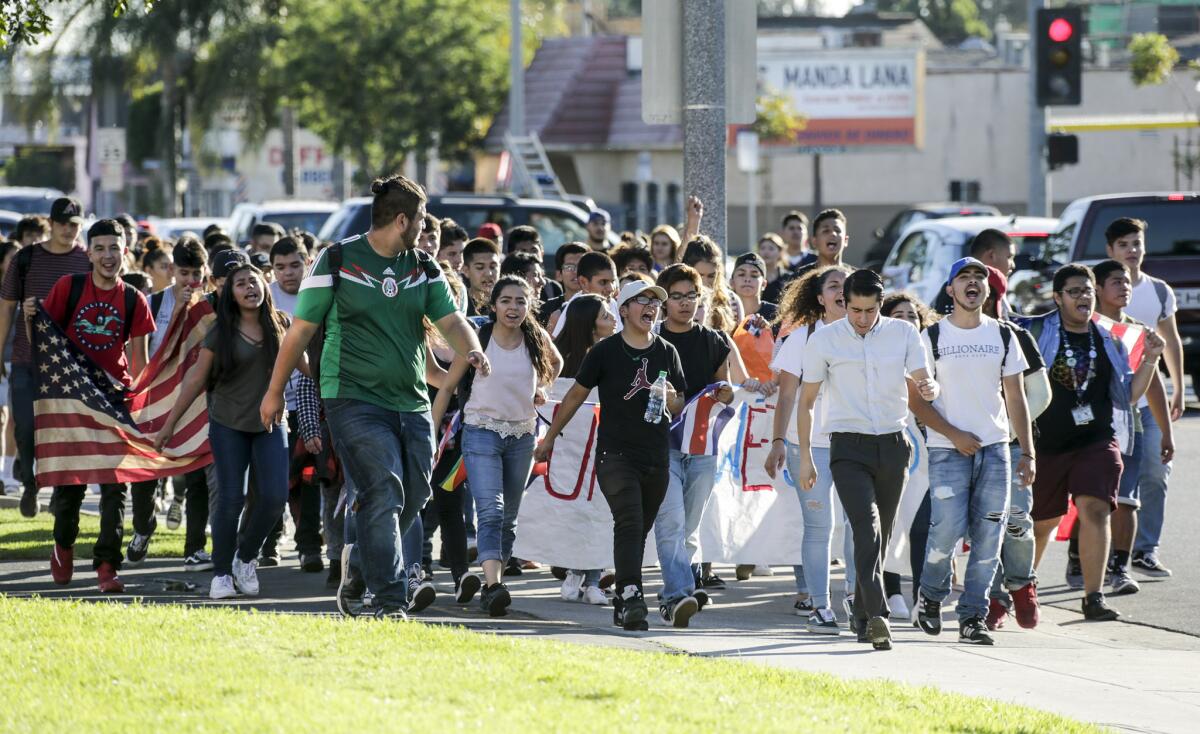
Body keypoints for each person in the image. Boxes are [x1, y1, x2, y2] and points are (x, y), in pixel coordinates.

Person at [260, 173, 488, 620]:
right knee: (384, 490)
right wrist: (273, 393)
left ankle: (360, 566)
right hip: (351, 398)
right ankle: (390, 600)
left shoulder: (423, 268)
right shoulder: (337, 260)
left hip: (411, 401)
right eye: (422, 223)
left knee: (415, 492)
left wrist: (474, 349)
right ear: (402, 220)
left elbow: (451, 321)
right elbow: (299, 333)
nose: (426, 232)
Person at [795, 269, 939, 650]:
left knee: (882, 535)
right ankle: (878, 617)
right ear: (844, 302)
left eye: (870, 310)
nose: (861, 318)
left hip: (894, 445)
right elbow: (806, 403)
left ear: (880, 304)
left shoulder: (903, 332)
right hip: (847, 447)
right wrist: (806, 457)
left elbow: (925, 377)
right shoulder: (824, 340)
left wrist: (929, 385)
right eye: (854, 309)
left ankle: (860, 616)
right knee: (866, 529)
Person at [534, 280, 685, 631]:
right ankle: (633, 596)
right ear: (625, 308)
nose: (651, 307)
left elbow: (678, 404)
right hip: (616, 455)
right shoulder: (604, 352)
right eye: (643, 301)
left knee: (638, 529)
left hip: (656, 456)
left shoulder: (667, 352)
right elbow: (573, 396)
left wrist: (670, 395)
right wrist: (551, 439)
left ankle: (622, 596)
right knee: (629, 522)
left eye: (655, 302)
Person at [907, 257, 1034, 647]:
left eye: (979, 277)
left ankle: (973, 617)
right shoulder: (930, 337)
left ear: (988, 289)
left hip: (997, 450)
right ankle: (929, 596)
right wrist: (954, 433)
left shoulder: (1005, 335)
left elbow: (1016, 396)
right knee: (945, 532)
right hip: (948, 450)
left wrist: (1027, 452)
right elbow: (916, 400)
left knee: (989, 538)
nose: (972, 283)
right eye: (964, 277)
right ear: (950, 290)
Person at [1025, 264, 1163, 621]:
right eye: (1074, 292)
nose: (1084, 297)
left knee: (1095, 509)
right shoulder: (1039, 332)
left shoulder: (1110, 339)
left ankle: (1093, 596)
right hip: (1049, 443)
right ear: (1057, 298)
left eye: (1088, 290)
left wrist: (1150, 359)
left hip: (1097, 439)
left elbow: (1129, 395)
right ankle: (1025, 584)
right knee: (1043, 521)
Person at [155, 263, 290, 599]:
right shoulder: (220, 332)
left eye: (254, 281)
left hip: (270, 424)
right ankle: (221, 575)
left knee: (274, 497)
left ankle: (245, 559)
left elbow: (305, 364)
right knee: (231, 499)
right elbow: (196, 379)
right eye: (241, 283)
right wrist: (170, 424)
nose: (249, 288)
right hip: (228, 424)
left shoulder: (279, 325)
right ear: (230, 293)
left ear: (264, 286)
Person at [433, 275, 561, 616]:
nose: (513, 308)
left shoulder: (536, 338)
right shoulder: (479, 339)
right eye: (506, 301)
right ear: (494, 305)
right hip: (480, 431)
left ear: (529, 306)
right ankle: (493, 586)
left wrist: (542, 388)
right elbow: (446, 389)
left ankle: (495, 579)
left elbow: (556, 364)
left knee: (509, 517)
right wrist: (431, 434)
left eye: (521, 301)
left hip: (522, 435)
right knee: (490, 510)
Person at [42, 219, 156, 593]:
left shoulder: (132, 298)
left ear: (126, 253)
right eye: (101, 248)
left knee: (114, 488)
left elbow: (138, 361)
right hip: (72, 402)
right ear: (89, 252)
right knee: (70, 489)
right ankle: (63, 544)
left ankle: (108, 564)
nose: (108, 256)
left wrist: (139, 405)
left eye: (115, 248)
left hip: (113, 402)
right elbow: (47, 340)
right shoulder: (68, 288)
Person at [764, 265, 851, 634]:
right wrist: (779, 441)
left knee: (860, 527)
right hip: (808, 447)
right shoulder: (800, 339)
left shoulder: (867, 336)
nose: (842, 292)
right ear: (820, 298)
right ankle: (820, 605)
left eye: (848, 286)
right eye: (834, 286)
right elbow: (786, 395)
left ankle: (858, 599)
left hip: (854, 444)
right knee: (820, 527)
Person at [651, 263, 737, 627]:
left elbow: (727, 389)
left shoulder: (714, 340)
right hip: (661, 445)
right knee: (670, 521)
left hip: (703, 445)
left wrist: (725, 392)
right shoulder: (650, 339)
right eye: (677, 296)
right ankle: (680, 592)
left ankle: (675, 590)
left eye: (692, 296)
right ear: (663, 301)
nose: (685, 303)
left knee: (689, 526)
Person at [0, 197, 90, 518]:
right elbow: (7, 306)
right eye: (63, 224)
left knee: (63, 431)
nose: (69, 230)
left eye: (75, 225)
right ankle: (29, 483)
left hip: (70, 364)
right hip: (27, 359)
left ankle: (59, 489)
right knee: (24, 426)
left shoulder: (87, 261)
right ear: (51, 224)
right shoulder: (25, 259)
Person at [1104, 217, 1182, 578]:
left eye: (1136, 243)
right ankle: (1099, 554)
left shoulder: (1159, 291)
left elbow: (1171, 339)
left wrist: (1177, 385)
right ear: (1111, 251)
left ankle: (1144, 550)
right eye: (1124, 245)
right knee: (1112, 485)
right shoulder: (1100, 290)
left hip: (1150, 395)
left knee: (1156, 473)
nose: (1132, 251)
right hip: (1113, 403)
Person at [1090, 258, 1173, 597]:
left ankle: (1120, 568)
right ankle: (1078, 559)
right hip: (1087, 427)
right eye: (1116, 282)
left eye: (1126, 282)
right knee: (1089, 501)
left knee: (1127, 500)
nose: (1125, 287)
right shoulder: (1086, 325)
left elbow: (1151, 384)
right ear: (1097, 289)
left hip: (1128, 425)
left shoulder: (1139, 332)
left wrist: (1166, 431)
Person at [977, 265, 1051, 632]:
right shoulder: (946, 335)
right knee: (982, 525)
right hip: (968, 445)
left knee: (1018, 519)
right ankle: (992, 597)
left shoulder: (1016, 336)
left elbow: (1040, 394)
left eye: (989, 291)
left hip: (1010, 444)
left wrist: (1005, 430)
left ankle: (1022, 584)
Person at [147, 237, 214, 572]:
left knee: (197, 476)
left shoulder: (212, 306)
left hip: (198, 402)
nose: (190, 281)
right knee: (150, 472)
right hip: (159, 400)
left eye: (196, 273)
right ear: (171, 270)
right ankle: (144, 526)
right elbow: (151, 352)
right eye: (184, 273)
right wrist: (177, 312)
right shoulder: (154, 301)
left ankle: (194, 546)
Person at [547, 251, 618, 338]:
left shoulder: (624, 313)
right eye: (603, 282)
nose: (611, 288)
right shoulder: (558, 318)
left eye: (613, 281)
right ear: (583, 282)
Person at [681, 236, 741, 333]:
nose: (704, 282)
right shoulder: (676, 300)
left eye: (711, 276)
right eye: (699, 276)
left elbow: (739, 339)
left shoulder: (731, 300)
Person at [763, 212, 815, 304]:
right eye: (791, 228)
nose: (796, 232)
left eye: (799, 228)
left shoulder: (815, 260)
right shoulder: (774, 259)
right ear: (782, 232)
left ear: (806, 232)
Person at [539, 242, 589, 326]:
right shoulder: (546, 310)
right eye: (569, 267)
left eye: (582, 266)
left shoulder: (602, 308)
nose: (576, 272)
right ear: (559, 275)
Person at [461, 237, 502, 318]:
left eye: (493, 267)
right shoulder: (459, 305)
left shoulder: (506, 305)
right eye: (480, 267)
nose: (488, 273)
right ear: (466, 270)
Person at [730, 252, 777, 323]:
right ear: (732, 282)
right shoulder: (724, 314)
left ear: (764, 284)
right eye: (741, 274)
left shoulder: (777, 314)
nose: (747, 279)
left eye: (754, 275)